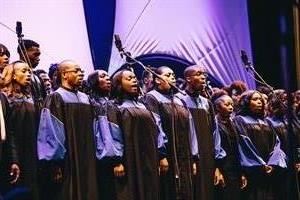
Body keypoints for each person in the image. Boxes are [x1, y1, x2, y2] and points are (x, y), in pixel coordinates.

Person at [37, 60, 98, 200]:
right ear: (64, 74)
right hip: (68, 159)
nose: (80, 74)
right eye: (76, 71)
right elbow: (51, 132)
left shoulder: (86, 98)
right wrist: (55, 163)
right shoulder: (56, 97)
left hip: (88, 157)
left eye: (81, 71)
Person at [143, 66, 194, 200]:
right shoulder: (152, 97)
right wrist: (162, 154)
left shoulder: (179, 99)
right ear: (157, 80)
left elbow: (190, 128)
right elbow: (155, 125)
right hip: (166, 152)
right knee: (168, 189)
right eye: (168, 75)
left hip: (184, 153)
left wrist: (194, 157)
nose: (172, 77)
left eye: (173, 75)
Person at [176, 65, 226, 200]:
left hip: (207, 157)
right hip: (188, 157)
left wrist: (217, 162)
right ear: (188, 78)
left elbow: (214, 133)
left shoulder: (207, 103)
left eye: (204, 74)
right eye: (198, 74)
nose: (203, 77)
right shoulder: (178, 100)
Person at [109, 69, 161, 200]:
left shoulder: (144, 105)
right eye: (129, 78)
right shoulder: (113, 106)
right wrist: (117, 161)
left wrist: (160, 155)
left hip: (150, 157)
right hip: (129, 158)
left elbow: (157, 130)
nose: (134, 80)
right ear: (118, 83)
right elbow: (112, 134)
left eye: (134, 78)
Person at [233, 90, 287, 200]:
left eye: (261, 100)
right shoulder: (240, 120)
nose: (259, 102)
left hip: (269, 169)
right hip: (252, 170)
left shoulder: (266, 122)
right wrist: (260, 164)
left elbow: (276, 144)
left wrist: (272, 163)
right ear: (246, 102)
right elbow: (244, 144)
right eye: (255, 99)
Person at [6, 60, 39, 199]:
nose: (28, 75)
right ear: (13, 75)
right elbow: (10, 132)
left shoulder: (32, 99)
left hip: (34, 153)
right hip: (16, 154)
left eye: (29, 72)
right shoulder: (7, 100)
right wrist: (14, 159)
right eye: (23, 71)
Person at [214, 94, 247, 200]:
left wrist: (242, 172)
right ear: (218, 107)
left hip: (235, 167)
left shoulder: (234, 124)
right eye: (227, 104)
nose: (231, 107)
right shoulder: (214, 124)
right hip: (223, 166)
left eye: (232, 105)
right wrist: (217, 169)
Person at [17, 39, 46, 107]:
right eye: (35, 54)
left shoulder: (37, 77)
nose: (38, 58)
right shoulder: (15, 74)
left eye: (39, 55)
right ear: (23, 53)